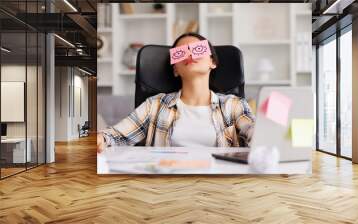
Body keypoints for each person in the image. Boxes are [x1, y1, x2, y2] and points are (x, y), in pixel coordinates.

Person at [97, 32, 255, 153]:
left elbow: (257, 136)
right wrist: (101, 138)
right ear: (175, 70)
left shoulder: (234, 105)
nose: (190, 54)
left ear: (212, 62)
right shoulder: (155, 105)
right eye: (181, 52)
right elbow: (115, 135)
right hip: (165, 185)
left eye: (197, 50)